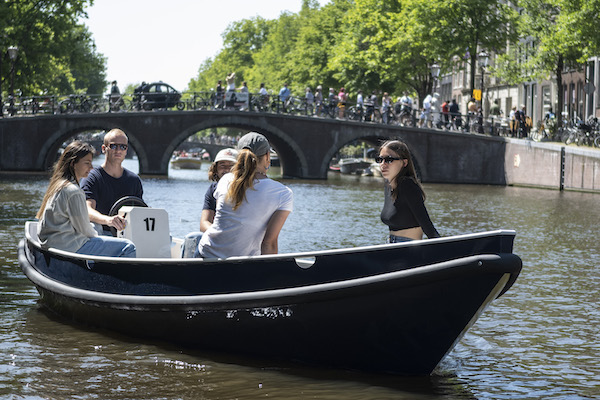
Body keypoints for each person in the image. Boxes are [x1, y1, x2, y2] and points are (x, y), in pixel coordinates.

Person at [197, 132, 293, 258]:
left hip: (207, 254)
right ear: (267, 156)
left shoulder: (225, 180)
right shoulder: (283, 193)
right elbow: (269, 243)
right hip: (242, 263)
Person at [36, 140, 136, 257]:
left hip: (53, 242)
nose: (91, 167)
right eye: (87, 163)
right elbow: (85, 230)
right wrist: (103, 239)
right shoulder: (74, 192)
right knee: (127, 246)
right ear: (73, 163)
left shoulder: (58, 184)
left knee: (97, 227)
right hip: (68, 246)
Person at [81, 128, 144, 236]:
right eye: (113, 146)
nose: (118, 150)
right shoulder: (92, 177)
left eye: (123, 147)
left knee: (166, 238)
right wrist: (109, 220)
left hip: (127, 233)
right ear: (104, 148)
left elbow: (139, 212)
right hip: (101, 233)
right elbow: (87, 210)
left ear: (126, 150)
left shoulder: (134, 180)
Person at [377, 140, 440, 243]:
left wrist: (443, 247)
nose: (383, 164)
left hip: (408, 247)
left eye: (389, 160)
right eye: (380, 159)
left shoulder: (408, 185)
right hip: (390, 244)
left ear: (404, 162)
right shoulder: (388, 185)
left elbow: (427, 225)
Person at [200, 148, 238, 232]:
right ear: (215, 169)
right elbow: (204, 223)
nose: (227, 170)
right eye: (222, 166)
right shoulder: (212, 190)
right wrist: (219, 233)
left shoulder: (247, 189)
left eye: (232, 166)